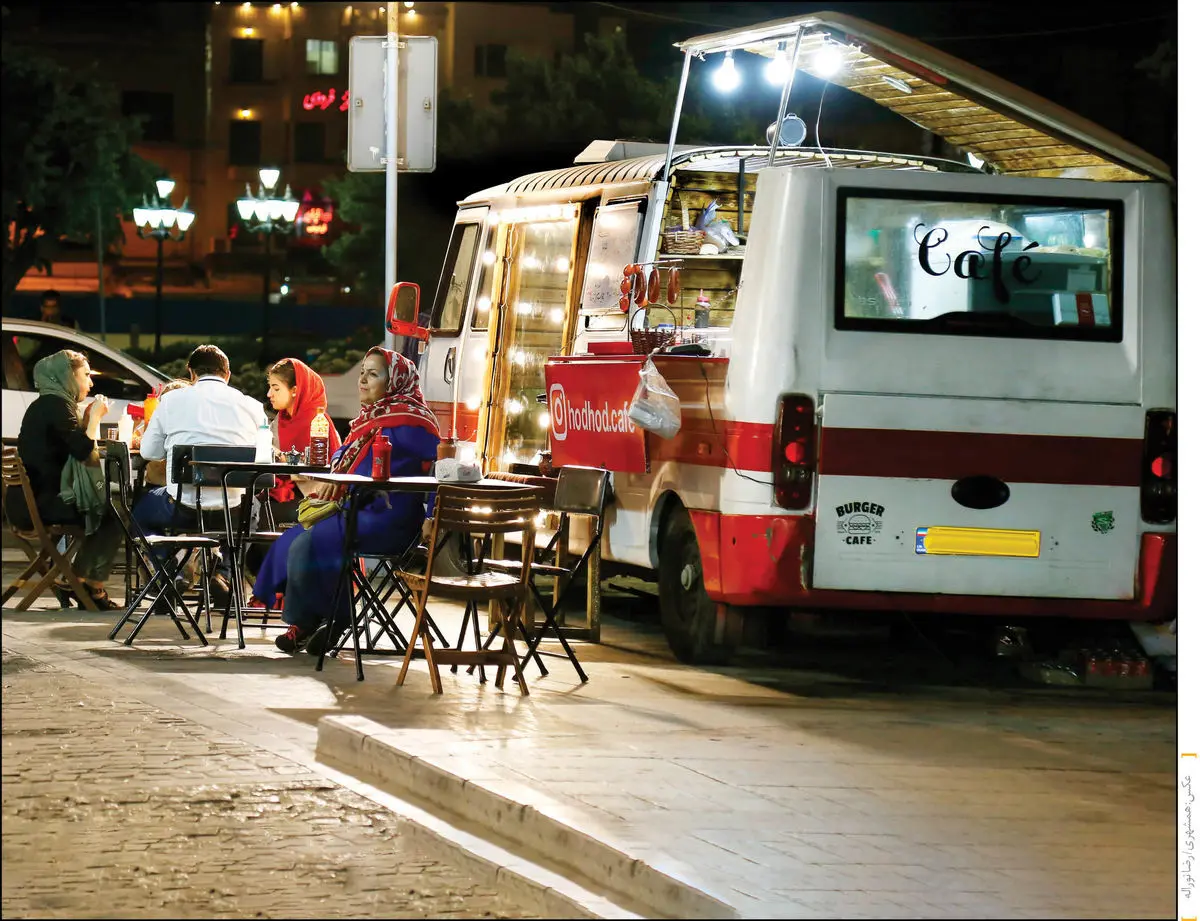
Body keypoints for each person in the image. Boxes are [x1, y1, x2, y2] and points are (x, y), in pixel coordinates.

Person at [266, 346, 439, 655]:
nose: (362, 380)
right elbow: (341, 458)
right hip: (355, 510)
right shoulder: (368, 421)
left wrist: (431, 515)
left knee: (320, 535)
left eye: (373, 374)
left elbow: (438, 471)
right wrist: (342, 478)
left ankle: (338, 618)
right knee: (300, 542)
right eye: (362, 372)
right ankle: (306, 623)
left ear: (396, 380)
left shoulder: (413, 423)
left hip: (391, 518)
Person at [135, 345, 267, 604]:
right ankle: (224, 572)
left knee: (138, 512)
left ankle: (166, 574)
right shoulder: (251, 406)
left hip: (182, 508)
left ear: (191, 373)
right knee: (252, 508)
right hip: (232, 511)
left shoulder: (172, 401)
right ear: (227, 374)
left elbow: (149, 451)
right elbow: (262, 461)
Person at [10, 350, 123, 610]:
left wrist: (85, 421)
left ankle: (79, 580)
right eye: (86, 376)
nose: (91, 383)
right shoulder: (55, 406)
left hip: (27, 503)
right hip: (41, 505)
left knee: (108, 511)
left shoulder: (48, 404)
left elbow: (70, 445)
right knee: (114, 514)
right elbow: (82, 450)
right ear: (67, 376)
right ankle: (84, 583)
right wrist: (94, 418)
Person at [264, 357, 341, 524]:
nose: (269, 394)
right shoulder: (280, 420)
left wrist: (281, 457)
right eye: (270, 387)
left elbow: (320, 467)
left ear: (294, 390)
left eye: (275, 388)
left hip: (313, 498)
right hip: (280, 493)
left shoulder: (317, 421)